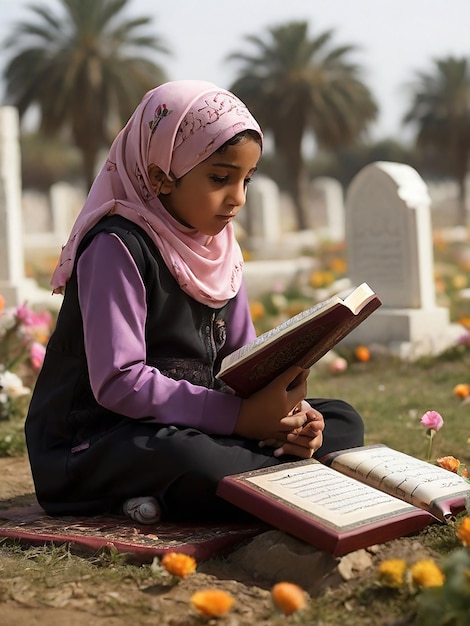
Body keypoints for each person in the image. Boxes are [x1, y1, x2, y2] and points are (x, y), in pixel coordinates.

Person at [25, 80, 364, 525]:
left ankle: (274, 472)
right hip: (102, 438)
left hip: (195, 422)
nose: (237, 198)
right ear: (160, 176)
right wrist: (239, 419)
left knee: (341, 420)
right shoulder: (116, 246)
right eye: (220, 178)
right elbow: (119, 381)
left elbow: (243, 364)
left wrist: (292, 418)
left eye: (246, 179)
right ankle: (276, 479)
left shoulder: (220, 249)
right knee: (190, 458)